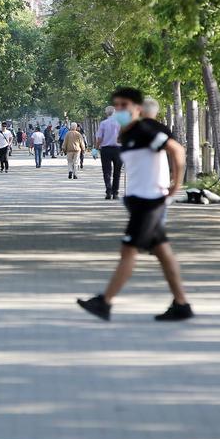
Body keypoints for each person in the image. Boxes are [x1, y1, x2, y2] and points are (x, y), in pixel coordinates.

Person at [77, 86, 193, 322]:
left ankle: (105, 302)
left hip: (151, 201)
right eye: (117, 105)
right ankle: (181, 303)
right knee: (163, 252)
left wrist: (176, 184)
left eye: (125, 105)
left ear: (137, 108)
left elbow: (177, 150)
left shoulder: (146, 129)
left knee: (128, 250)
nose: (120, 109)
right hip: (139, 201)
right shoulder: (128, 133)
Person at [96, 105, 122, 200]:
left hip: (106, 149)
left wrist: (96, 148)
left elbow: (99, 138)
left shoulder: (103, 123)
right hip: (118, 149)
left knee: (106, 171)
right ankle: (115, 193)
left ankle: (108, 190)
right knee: (117, 172)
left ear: (106, 113)